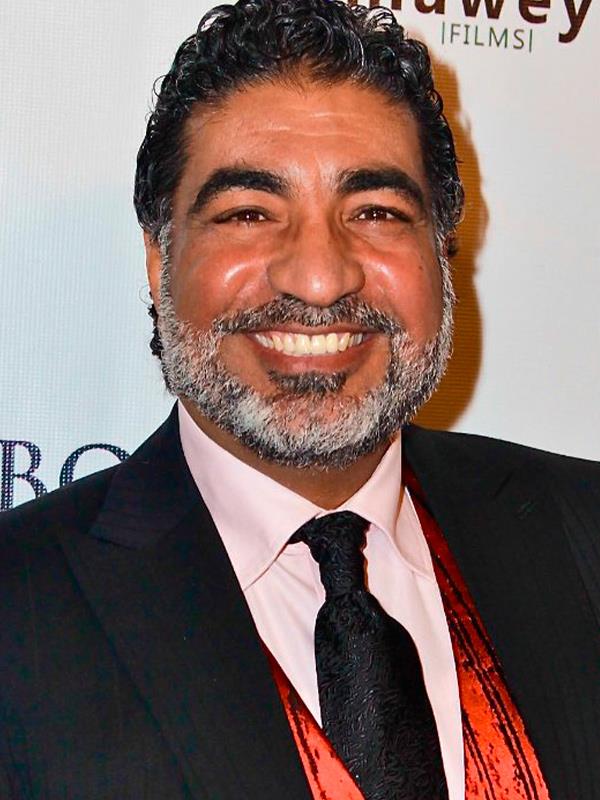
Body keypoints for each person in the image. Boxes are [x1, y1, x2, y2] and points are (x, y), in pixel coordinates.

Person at [1, 1, 598, 798]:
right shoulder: (18, 609)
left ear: (441, 253)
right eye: (249, 213)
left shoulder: (583, 530)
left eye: (376, 212)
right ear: (159, 258)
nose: (319, 277)